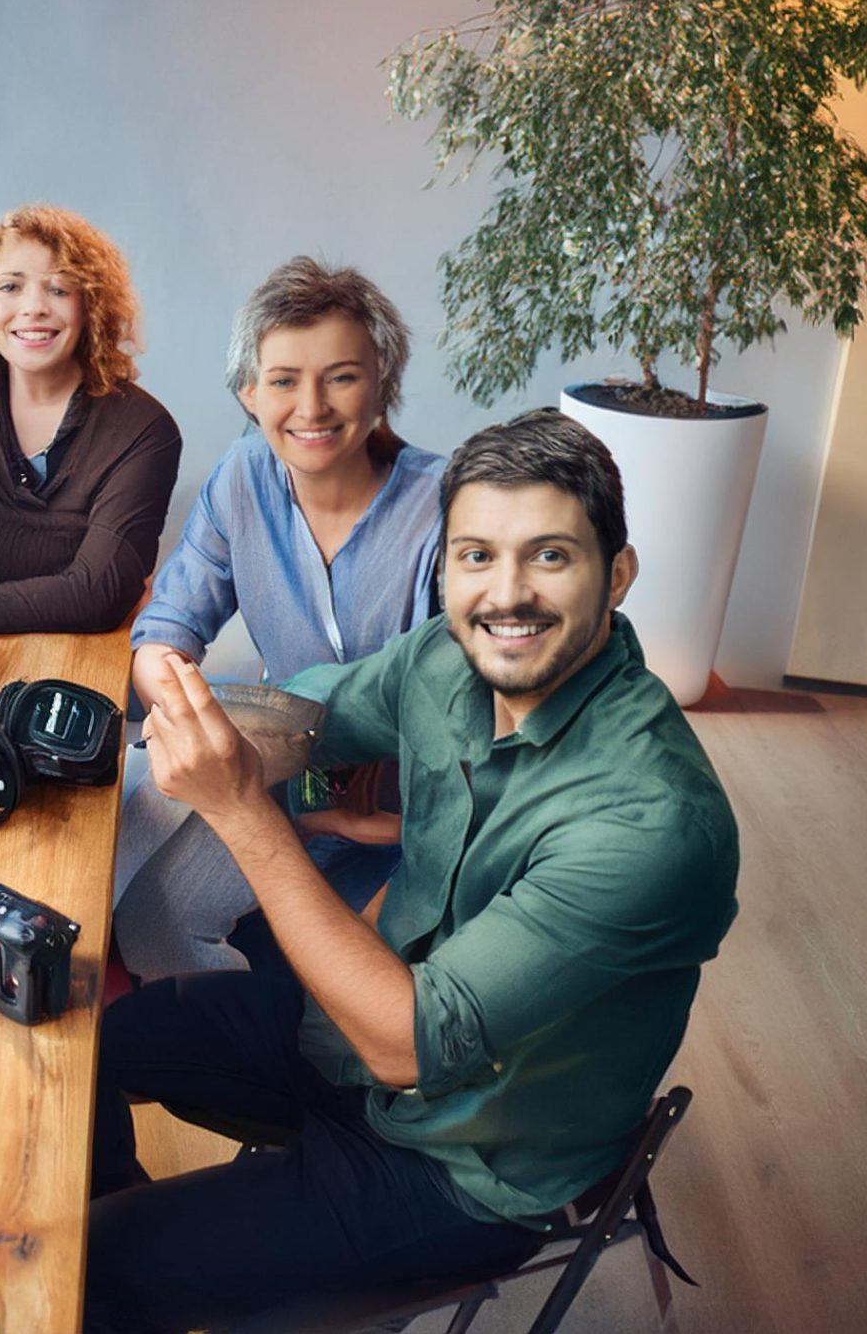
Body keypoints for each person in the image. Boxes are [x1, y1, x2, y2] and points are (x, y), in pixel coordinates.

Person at [86, 409, 740, 1332]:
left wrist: (240, 806)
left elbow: (407, 1039)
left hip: (465, 1161)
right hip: (345, 1041)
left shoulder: (654, 823)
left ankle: (141, 1267)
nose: (504, 593)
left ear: (618, 574)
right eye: (475, 555)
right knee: (85, 1043)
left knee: (95, 1268)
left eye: (549, 555)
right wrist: (184, 715)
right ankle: (163, 1250)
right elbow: (311, 712)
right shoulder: (449, 656)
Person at [111, 257, 444, 978]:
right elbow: (166, 625)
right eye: (285, 380)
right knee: (135, 906)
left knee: (190, 927)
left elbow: (470, 718)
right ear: (249, 394)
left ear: (383, 379)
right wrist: (181, 708)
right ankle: (243, 1059)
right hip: (280, 774)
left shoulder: (445, 507)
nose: (312, 407)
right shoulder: (242, 477)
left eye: (342, 376)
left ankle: (290, 1055)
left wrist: (362, 814)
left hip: (411, 811)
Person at [0, 205, 181, 633]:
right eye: (10, 286)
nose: (34, 308)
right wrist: (61, 595)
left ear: (91, 305)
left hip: (83, 667)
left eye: (59, 290)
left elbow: (98, 598)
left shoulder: (144, 431)